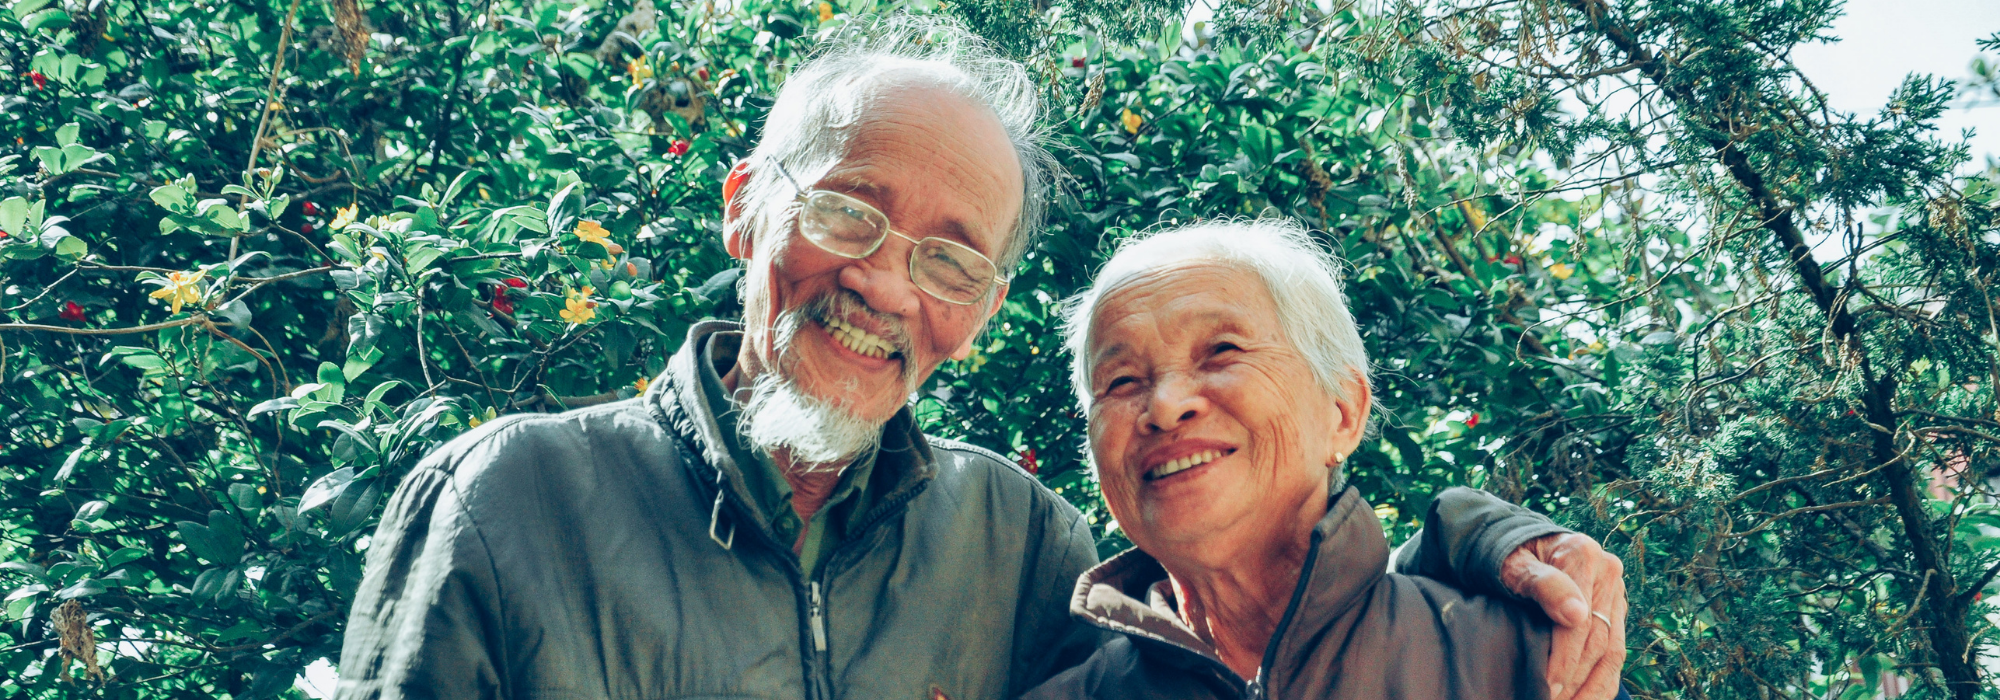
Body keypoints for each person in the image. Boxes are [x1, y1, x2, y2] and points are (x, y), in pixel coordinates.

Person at [335, 18, 1623, 700]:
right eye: (847, 210)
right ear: (744, 207)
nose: (885, 283)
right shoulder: (511, 498)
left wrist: (1477, 538)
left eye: (950, 258)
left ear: (986, 306)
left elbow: (1254, 634)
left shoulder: (1009, 537)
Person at [1024, 219, 1627, 699]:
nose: (1165, 405)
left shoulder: (1521, 662)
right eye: (1122, 380)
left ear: (1341, 413)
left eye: (1221, 351)